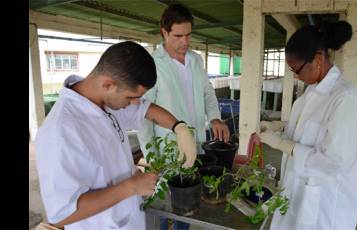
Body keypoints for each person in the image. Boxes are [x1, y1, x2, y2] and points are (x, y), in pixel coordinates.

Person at [35, 41, 197, 230]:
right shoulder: (61, 131)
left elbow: (146, 109)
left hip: (130, 219)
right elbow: (62, 214)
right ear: (108, 84)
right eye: (130, 97)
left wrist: (179, 127)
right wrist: (131, 187)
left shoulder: (105, 100)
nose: (134, 103)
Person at [259, 21, 357, 230]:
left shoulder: (345, 99)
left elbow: (335, 161)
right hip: (298, 193)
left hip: (324, 209)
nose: (295, 75)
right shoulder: (313, 89)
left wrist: (285, 145)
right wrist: (280, 126)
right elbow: (311, 129)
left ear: (318, 59)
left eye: (297, 69)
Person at [137, 3, 230, 230]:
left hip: (196, 142)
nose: (185, 42)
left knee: (187, 203)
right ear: (164, 32)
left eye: (189, 35)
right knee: (163, 205)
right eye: (178, 36)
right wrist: (151, 158)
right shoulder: (152, 65)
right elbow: (143, 113)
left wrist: (215, 118)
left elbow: (207, 92)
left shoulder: (196, 60)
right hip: (168, 149)